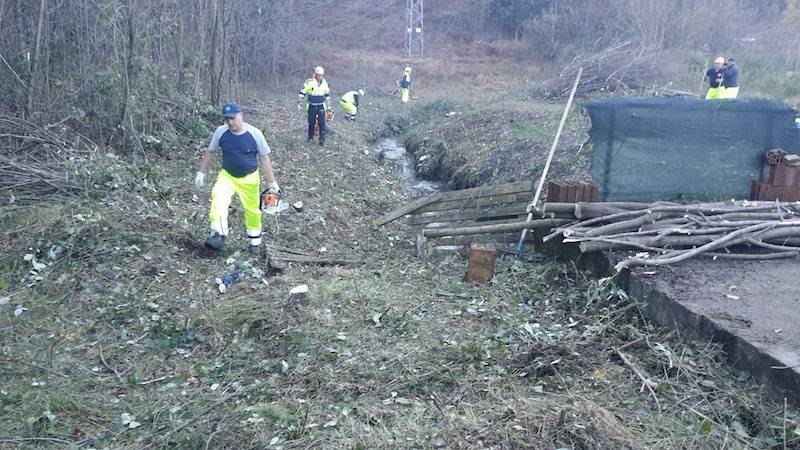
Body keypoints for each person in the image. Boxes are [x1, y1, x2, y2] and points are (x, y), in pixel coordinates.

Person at [194, 102, 280, 254]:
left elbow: (264, 158)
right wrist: (201, 172)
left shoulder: (255, 134)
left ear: (241, 116)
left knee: (252, 210)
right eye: (227, 119)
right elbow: (210, 151)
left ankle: (255, 242)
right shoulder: (221, 132)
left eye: (233, 118)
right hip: (227, 176)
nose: (230, 122)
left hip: (250, 178)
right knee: (218, 198)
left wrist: (272, 182)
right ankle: (218, 234)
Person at [298, 66, 330, 145]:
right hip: (311, 105)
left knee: (322, 123)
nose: (320, 76)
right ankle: (310, 138)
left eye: (321, 75)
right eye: (318, 75)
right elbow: (302, 93)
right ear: (315, 74)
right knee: (311, 122)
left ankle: (322, 140)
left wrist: (329, 106)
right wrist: (299, 103)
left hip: (321, 105)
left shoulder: (324, 83)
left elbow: (327, 95)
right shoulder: (309, 82)